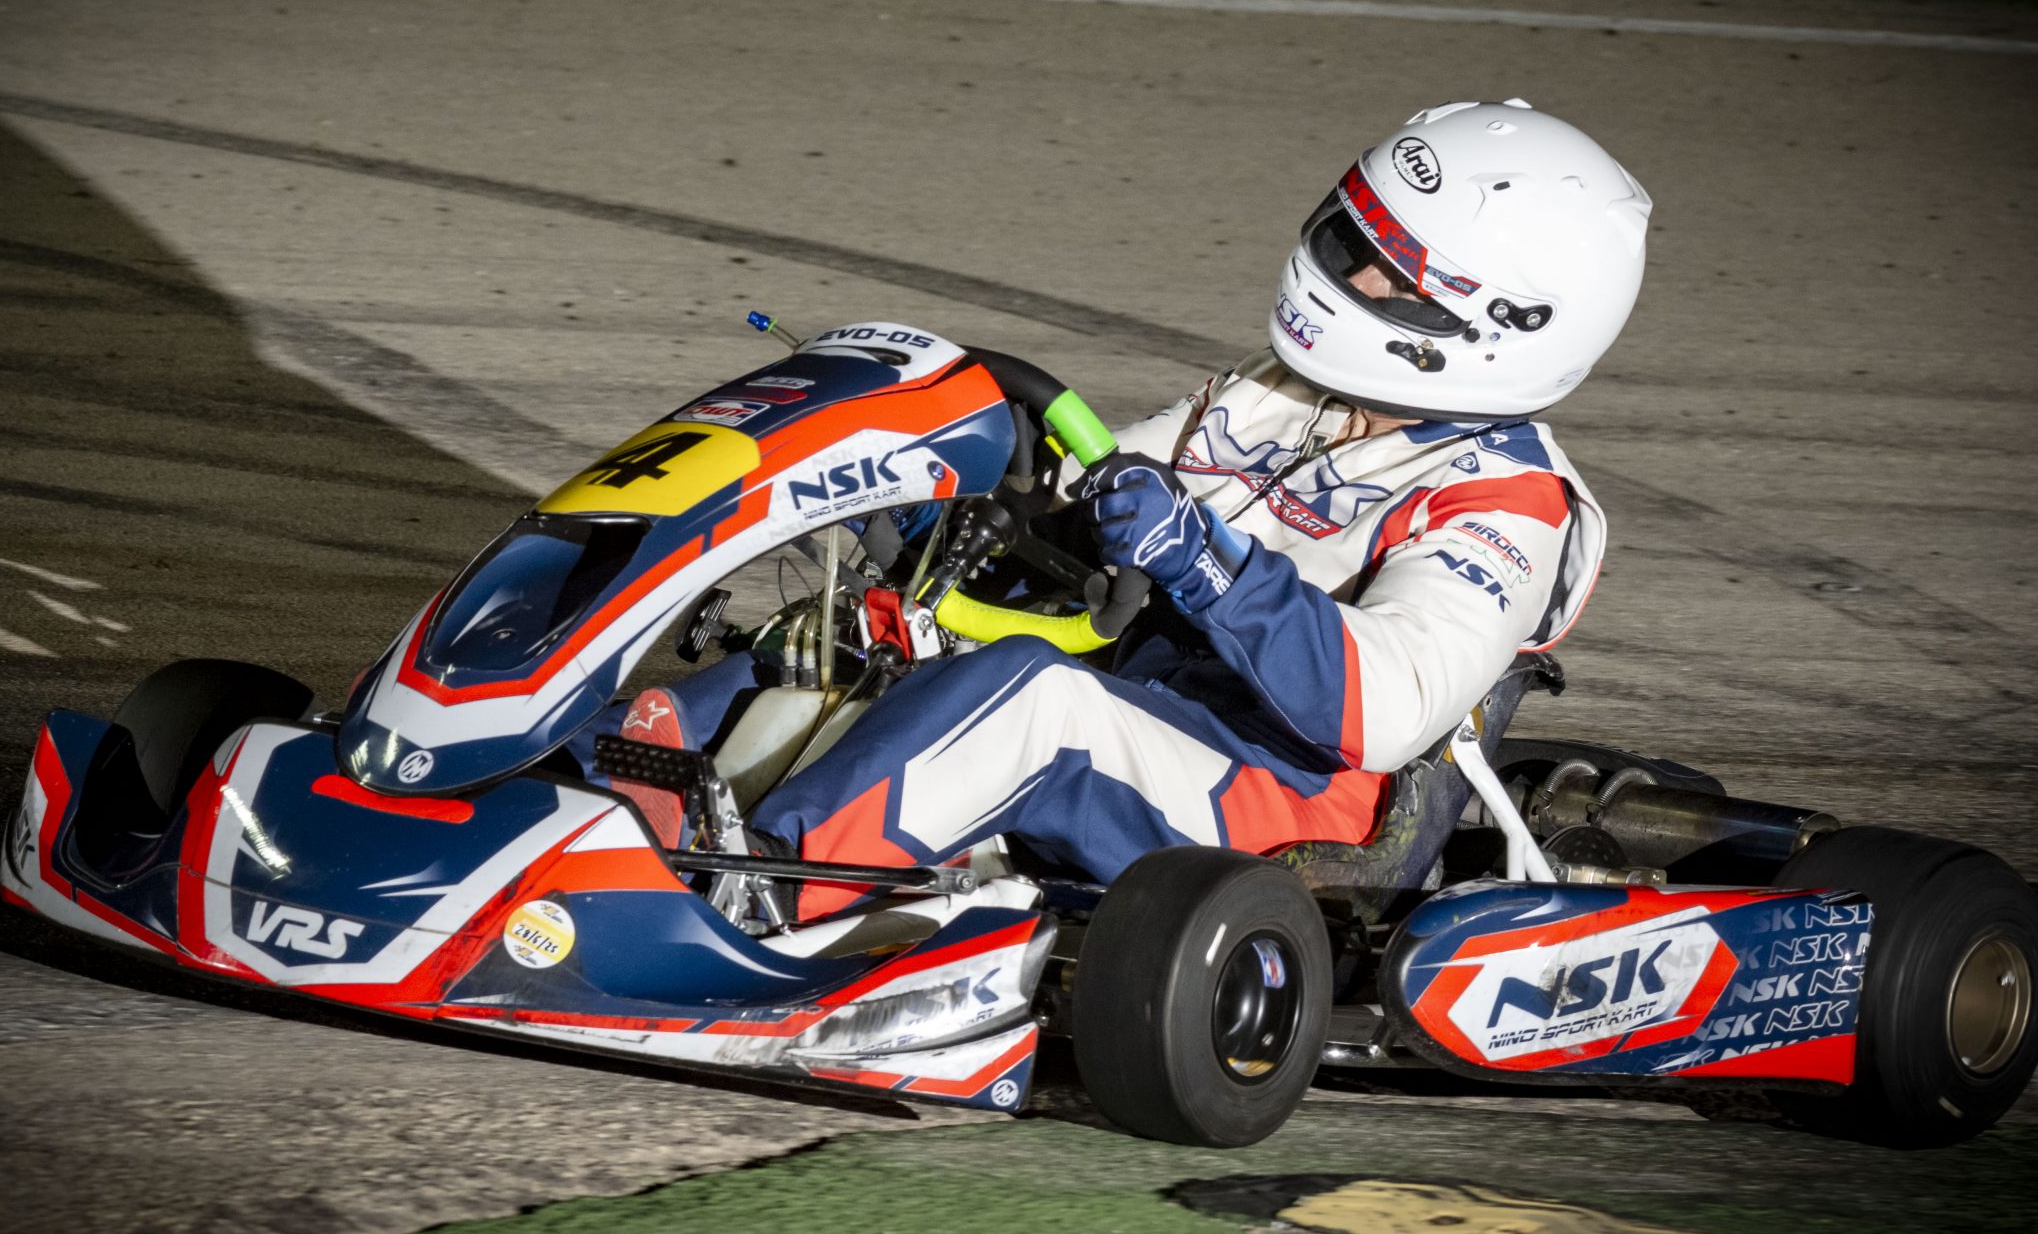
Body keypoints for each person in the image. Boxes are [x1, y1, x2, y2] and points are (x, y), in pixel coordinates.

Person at [618, 99, 1649, 919]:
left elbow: (1387, 706)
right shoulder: (1281, 392)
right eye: (1352, 240)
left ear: (1501, 322)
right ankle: (602, 793)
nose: (1355, 274)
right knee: (873, 631)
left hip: (1283, 801)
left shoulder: (1509, 502)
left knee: (1035, 702)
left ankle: (758, 889)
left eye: (1397, 274)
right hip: (1146, 701)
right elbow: (1088, 502)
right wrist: (929, 502)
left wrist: (1210, 566)